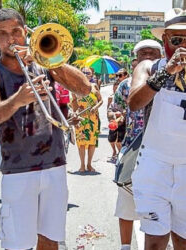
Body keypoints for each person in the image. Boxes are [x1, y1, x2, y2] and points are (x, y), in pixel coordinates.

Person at [0, 8, 91, 250]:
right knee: (17, 244)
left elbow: (84, 89)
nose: (11, 40)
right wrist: (18, 99)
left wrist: (49, 60)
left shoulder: (44, 63)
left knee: (51, 240)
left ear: (26, 32)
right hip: (18, 169)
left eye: (16, 32)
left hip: (55, 163)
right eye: (3, 34)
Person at [129, 8, 186, 249]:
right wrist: (166, 72)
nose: (183, 46)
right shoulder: (149, 67)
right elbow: (134, 102)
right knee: (154, 242)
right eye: (177, 40)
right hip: (154, 167)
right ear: (164, 41)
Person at [109, 40, 162, 250]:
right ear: (136, 59)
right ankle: (125, 247)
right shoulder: (125, 84)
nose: (148, 56)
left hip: (159, 152)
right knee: (126, 204)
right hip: (132, 148)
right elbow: (114, 109)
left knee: (158, 207)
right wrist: (116, 116)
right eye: (143, 53)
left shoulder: (172, 82)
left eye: (153, 53)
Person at [72, 67, 103, 172]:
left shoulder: (94, 86)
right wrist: (75, 113)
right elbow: (74, 103)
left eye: (88, 73)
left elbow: (101, 100)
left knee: (91, 142)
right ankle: (82, 165)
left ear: (92, 75)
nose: (85, 74)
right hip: (81, 118)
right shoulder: (75, 87)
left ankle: (89, 164)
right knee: (81, 141)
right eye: (83, 72)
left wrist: (95, 107)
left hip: (93, 119)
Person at [107, 68, 129, 162]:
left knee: (120, 140)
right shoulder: (117, 92)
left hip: (128, 122)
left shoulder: (130, 85)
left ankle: (122, 156)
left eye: (120, 75)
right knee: (113, 138)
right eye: (117, 75)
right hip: (118, 119)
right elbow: (110, 109)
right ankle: (117, 153)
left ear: (126, 75)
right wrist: (113, 115)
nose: (118, 78)